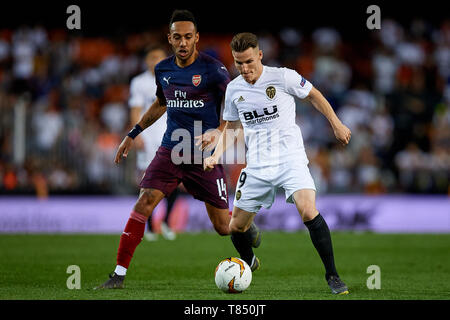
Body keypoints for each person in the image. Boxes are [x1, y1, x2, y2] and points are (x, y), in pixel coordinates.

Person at [95, 11, 260, 289]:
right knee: (144, 202)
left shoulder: (214, 70)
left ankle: (245, 234)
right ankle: (118, 275)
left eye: (188, 37)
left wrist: (218, 132)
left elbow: (234, 109)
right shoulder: (163, 70)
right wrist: (132, 133)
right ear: (169, 39)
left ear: (196, 38)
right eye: (177, 37)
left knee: (223, 227)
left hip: (204, 156)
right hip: (171, 150)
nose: (183, 43)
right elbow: (161, 103)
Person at [204, 32, 351, 294]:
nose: (245, 68)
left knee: (308, 211)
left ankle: (333, 276)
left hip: (290, 160)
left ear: (260, 55)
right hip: (258, 165)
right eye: (239, 63)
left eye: (249, 61)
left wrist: (336, 124)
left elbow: (314, 95)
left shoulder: (283, 77)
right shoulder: (234, 88)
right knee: (235, 227)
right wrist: (216, 154)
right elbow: (232, 127)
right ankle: (249, 260)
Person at [128, 44, 176, 241]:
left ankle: (165, 222)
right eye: (151, 57)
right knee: (147, 182)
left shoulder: (174, 78)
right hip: (148, 140)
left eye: (159, 57)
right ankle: (147, 226)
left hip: (170, 138)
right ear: (146, 61)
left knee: (174, 182)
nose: (155, 61)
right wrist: (136, 134)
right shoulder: (138, 82)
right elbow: (135, 109)